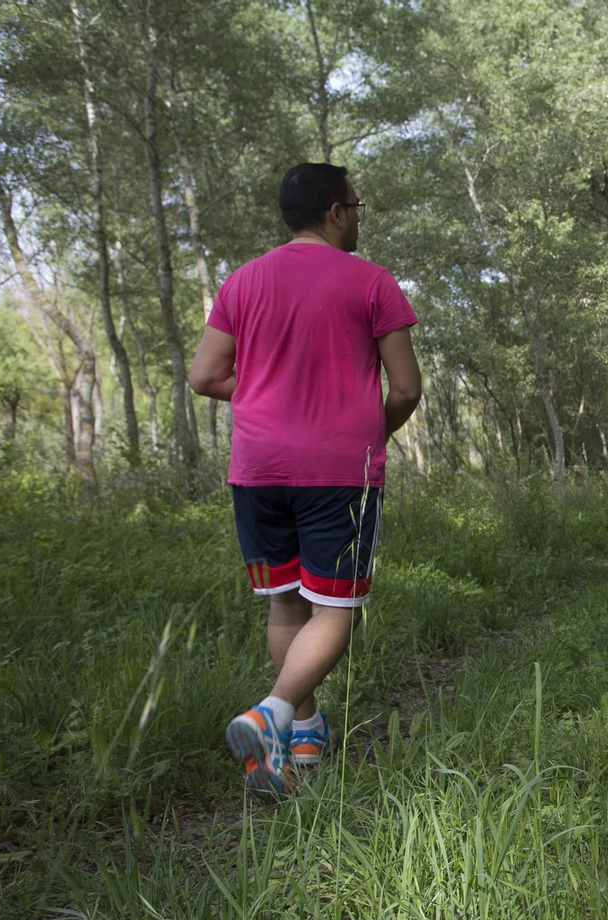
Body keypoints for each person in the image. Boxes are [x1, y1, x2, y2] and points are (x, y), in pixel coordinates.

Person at [188, 162, 421, 801]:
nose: (357, 216)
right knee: (336, 607)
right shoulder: (372, 281)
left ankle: (307, 731)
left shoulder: (241, 282)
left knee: (286, 601)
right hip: (335, 472)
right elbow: (406, 388)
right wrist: (367, 432)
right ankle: (271, 716)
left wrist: (272, 395)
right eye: (356, 205)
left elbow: (205, 376)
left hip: (258, 469)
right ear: (336, 212)